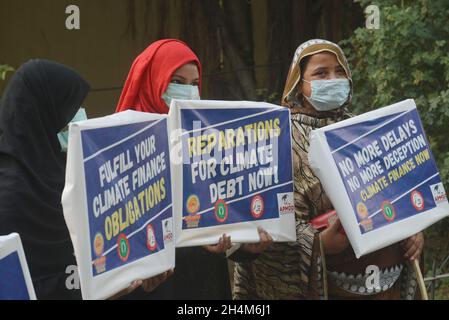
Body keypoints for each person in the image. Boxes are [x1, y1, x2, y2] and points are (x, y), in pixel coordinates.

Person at [233, 39, 424, 300]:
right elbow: (266, 224)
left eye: (340, 71)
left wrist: (411, 229)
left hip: (382, 284)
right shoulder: (275, 140)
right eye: (321, 73)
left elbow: (395, 196)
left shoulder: (365, 131)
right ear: (299, 84)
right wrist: (318, 245)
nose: (333, 79)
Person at [0, 59, 170, 300]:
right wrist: (91, 288)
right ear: (43, 113)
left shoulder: (73, 174)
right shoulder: (10, 197)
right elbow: (18, 289)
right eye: (72, 108)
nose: (81, 116)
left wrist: (140, 276)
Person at [116, 39, 272, 299]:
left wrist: (245, 245)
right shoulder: (125, 148)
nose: (188, 92)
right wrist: (197, 245)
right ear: (151, 81)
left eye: (194, 84)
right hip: (154, 289)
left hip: (205, 284)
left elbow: (225, 210)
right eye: (176, 82)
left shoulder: (206, 140)